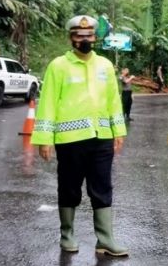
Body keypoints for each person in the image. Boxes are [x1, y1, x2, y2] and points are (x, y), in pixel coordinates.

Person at [32, 15, 128, 257]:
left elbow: (113, 101)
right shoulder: (58, 66)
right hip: (70, 140)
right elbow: (48, 103)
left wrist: (119, 131)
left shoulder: (105, 65)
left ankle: (105, 240)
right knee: (69, 188)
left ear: (95, 38)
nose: (84, 40)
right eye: (79, 36)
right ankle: (67, 235)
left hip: (102, 138)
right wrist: (44, 138)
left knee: (103, 188)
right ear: (71, 38)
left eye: (88, 36)